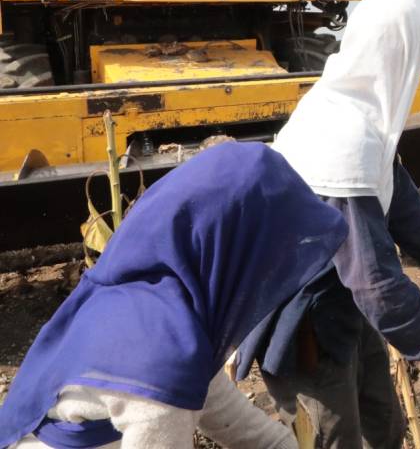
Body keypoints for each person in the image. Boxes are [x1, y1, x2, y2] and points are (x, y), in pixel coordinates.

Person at [246, 0, 420, 447]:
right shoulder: (340, 135)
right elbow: (377, 286)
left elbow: (407, 213)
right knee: (338, 438)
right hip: (306, 330)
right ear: (401, 58)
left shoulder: (362, 116)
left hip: (344, 311)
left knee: (384, 429)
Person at [0, 143, 349, 449]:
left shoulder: (149, 299)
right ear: (235, 254)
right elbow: (169, 391)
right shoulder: (158, 362)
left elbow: (223, 409)